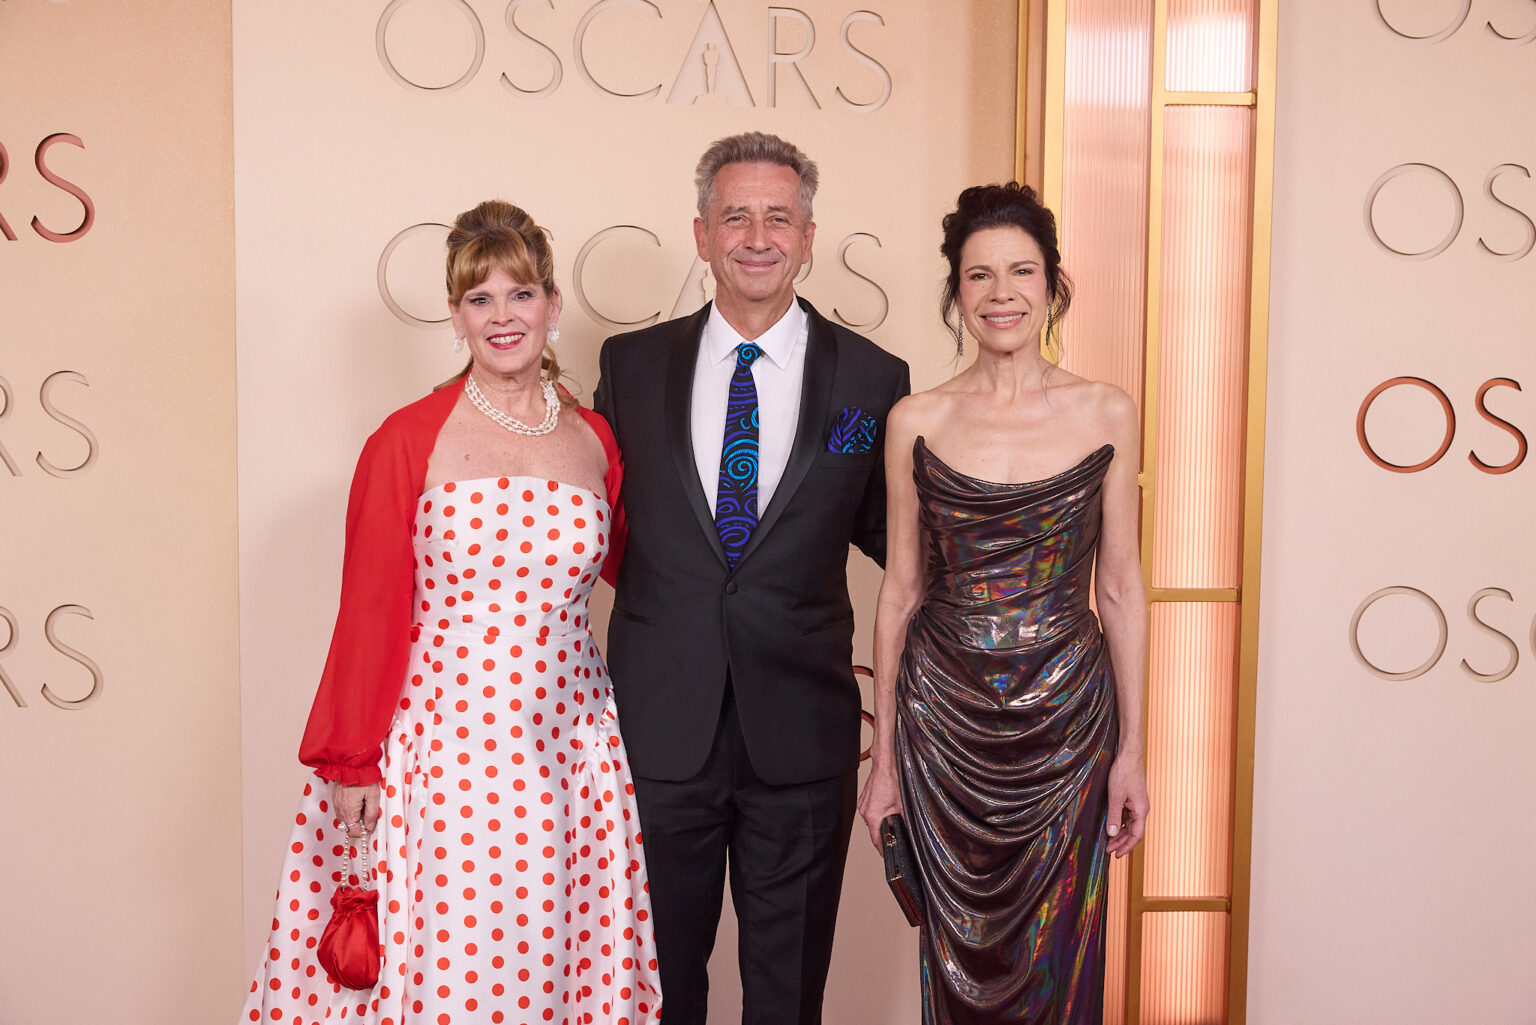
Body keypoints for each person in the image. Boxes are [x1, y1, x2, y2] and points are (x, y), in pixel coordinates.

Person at [241, 200, 661, 1025]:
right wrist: (354, 759)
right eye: (481, 299)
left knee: (552, 960)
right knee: (454, 963)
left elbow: (645, 577)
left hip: (571, 746)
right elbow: (368, 607)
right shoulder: (406, 439)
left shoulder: (595, 440)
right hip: (446, 750)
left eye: (521, 294)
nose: (503, 317)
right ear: (456, 313)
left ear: (551, 303)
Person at [593, 132, 910, 1025]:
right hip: (658, 735)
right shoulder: (630, 365)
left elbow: (897, 545)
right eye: (737, 215)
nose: (758, 235)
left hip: (800, 743)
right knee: (655, 991)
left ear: (810, 237)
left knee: (787, 997)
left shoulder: (872, 382)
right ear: (701, 234)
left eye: (781, 215)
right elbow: (585, 534)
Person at [856, 182, 1149, 1023]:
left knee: (1066, 958)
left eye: (1021, 271)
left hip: (1068, 729)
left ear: (1053, 284)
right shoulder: (917, 417)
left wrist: (1132, 751)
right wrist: (883, 763)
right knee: (956, 961)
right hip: (945, 727)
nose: (1001, 292)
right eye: (979, 275)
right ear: (956, 292)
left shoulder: (1108, 408)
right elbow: (902, 589)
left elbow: (1122, 585)